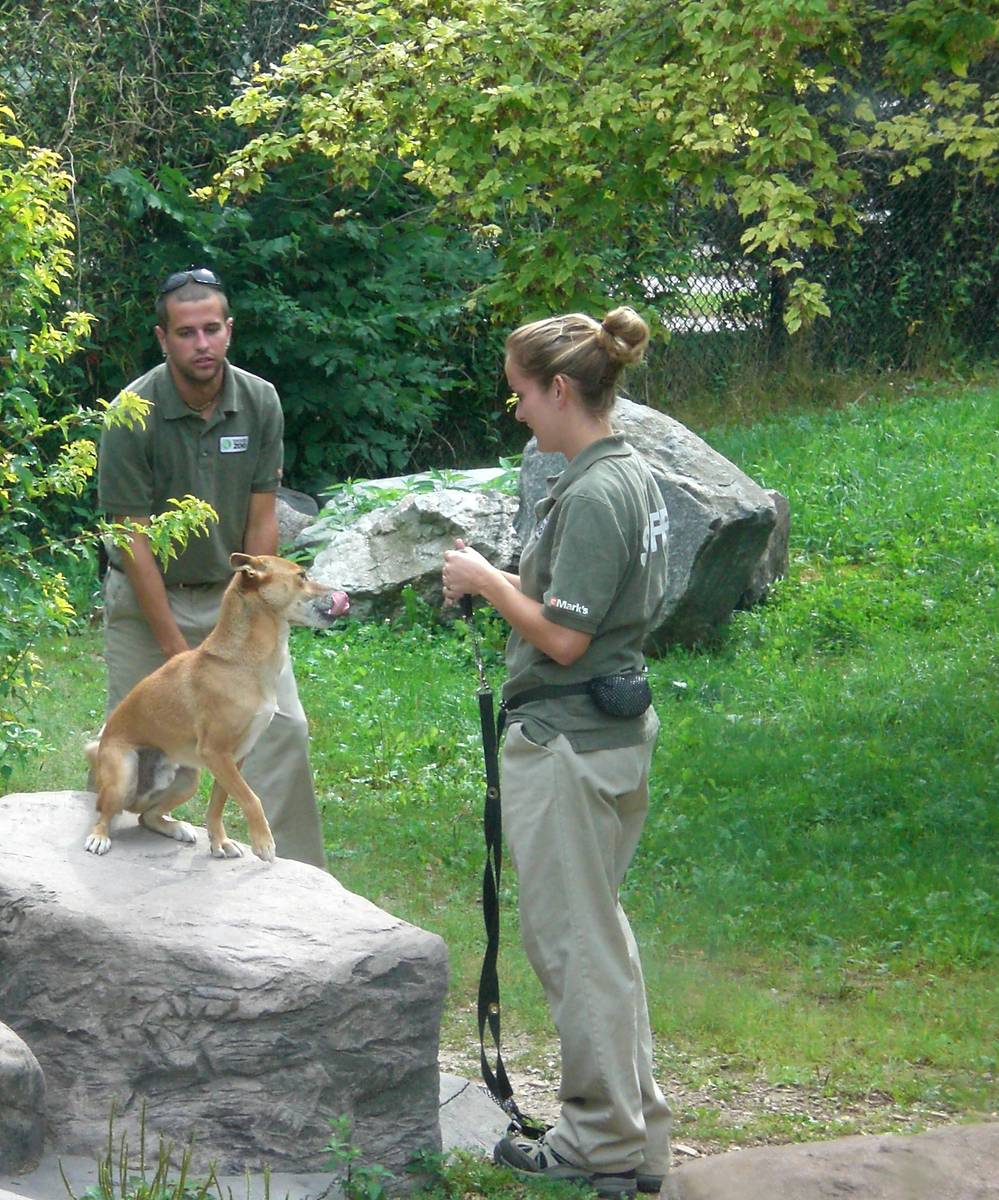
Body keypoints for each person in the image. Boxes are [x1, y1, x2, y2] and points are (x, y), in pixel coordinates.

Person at [441, 306, 672, 1198]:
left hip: (570, 743)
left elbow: (567, 640)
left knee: (576, 948)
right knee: (600, 943)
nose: (520, 413)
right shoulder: (630, 475)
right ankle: (636, 1136)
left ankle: (599, 1143)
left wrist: (488, 583)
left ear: (562, 389)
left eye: (523, 397)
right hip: (607, 734)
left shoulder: (595, 491)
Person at [96, 266, 327, 868]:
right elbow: (132, 541)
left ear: (230, 330)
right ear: (163, 338)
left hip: (240, 597)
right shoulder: (130, 413)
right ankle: (130, 898)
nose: (202, 343)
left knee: (283, 731)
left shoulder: (259, 401)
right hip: (150, 597)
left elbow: (261, 522)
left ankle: (293, 882)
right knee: (145, 757)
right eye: (186, 332)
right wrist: (182, 656)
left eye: (212, 329)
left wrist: (262, 606)